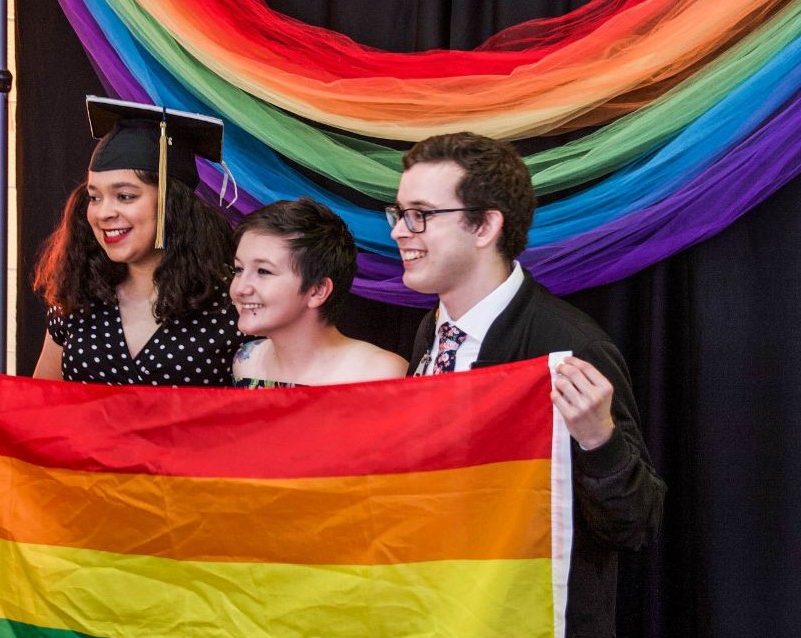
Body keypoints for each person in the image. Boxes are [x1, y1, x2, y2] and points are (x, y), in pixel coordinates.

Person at [388, 132, 666, 637]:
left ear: (485, 225)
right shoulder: (431, 330)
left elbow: (636, 524)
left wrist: (599, 440)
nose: (400, 232)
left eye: (421, 215)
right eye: (400, 213)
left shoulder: (567, 346)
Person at [0, 96, 244, 386]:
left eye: (125, 196)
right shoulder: (78, 299)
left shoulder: (237, 302)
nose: (103, 212)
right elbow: (37, 411)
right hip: (87, 476)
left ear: (172, 204)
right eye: (94, 196)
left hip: (191, 475)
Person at [230, 198, 406, 387]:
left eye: (264, 271)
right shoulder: (247, 362)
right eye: (238, 270)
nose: (240, 288)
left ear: (317, 290)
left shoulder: (379, 373)